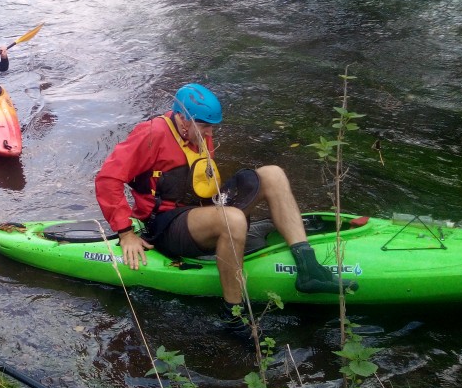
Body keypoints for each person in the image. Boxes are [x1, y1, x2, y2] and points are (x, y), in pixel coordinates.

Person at [95, 83, 356, 337]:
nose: (210, 133)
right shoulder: (151, 134)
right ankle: (233, 315)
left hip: (201, 210)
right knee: (233, 220)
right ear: (183, 119)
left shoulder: (198, 132)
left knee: (273, 174)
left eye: (213, 127)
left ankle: (309, 269)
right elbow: (107, 179)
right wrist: (126, 233)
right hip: (166, 224)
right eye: (205, 126)